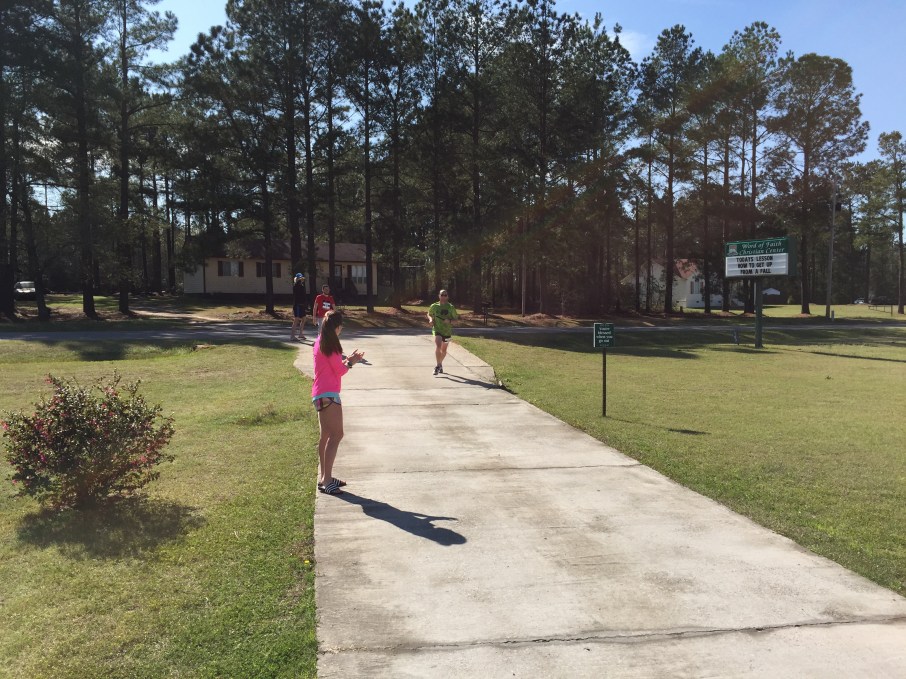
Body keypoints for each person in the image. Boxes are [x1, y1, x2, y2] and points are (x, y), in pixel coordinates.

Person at [311, 310, 364, 495]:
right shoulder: (332, 346)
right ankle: (327, 481)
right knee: (337, 435)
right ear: (338, 327)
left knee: (326, 435)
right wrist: (352, 362)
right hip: (330, 394)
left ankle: (324, 477)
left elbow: (331, 366)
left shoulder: (320, 342)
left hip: (319, 393)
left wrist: (347, 360)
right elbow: (340, 370)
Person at [427, 289, 458, 375]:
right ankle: (438, 366)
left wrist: (449, 321)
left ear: (447, 296)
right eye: (442, 295)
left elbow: (456, 321)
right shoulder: (434, 306)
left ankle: (440, 364)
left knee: (444, 351)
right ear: (439, 296)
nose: (443, 297)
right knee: (438, 346)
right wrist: (430, 319)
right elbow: (429, 313)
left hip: (447, 332)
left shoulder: (451, 307)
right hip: (437, 329)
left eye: (445, 295)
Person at [291, 273, 309, 341]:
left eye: (301, 278)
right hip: (297, 305)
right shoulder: (296, 286)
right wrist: (297, 281)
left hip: (302, 305)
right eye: (299, 278)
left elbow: (303, 296)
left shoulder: (302, 286)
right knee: (296, 319)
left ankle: (301, 334)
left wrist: (305, 304)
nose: (301, 279)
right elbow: (297, 295)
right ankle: (292, 336)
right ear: (297, 279)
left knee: (304, 319)